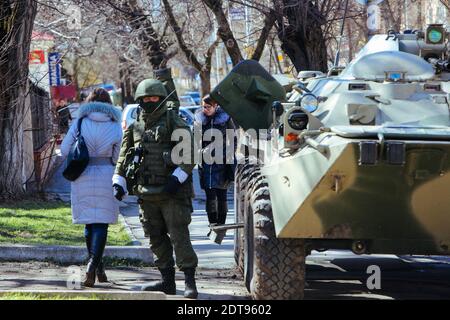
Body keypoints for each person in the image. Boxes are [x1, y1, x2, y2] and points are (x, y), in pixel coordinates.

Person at [113, 78, 199, 299]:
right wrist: (119, 181)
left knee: (180, 237)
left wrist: (176, 178)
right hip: (146, 193)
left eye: (154, 98)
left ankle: (190, 282)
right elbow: (124, 156)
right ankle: (167, 282)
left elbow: (189, 153)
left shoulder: (174, 121)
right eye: (146, 98)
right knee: (155, 238)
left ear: (161, 99)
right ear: (140, 100)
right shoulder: (135, 126)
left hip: (172, 194)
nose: (150, 101)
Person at [61, 88, 123, 287]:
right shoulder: (115, 125)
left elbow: (64, 151)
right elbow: (117, 156)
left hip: (82, 174)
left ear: (89, 102)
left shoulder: (79, 122)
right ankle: (94, 267)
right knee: (101, 222)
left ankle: (95, 267)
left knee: (89, 222)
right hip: (106, 175)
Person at [195, 95, 236, 228]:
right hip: (206, 161)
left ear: (215, 106)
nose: (205, 109)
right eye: (203, 107)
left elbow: (233, 139)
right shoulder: (199, 120)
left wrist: (228, 154)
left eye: (208, 107)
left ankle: (221, 223)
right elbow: (194, 139)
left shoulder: (225, 119)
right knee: (210, 193)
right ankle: (212, 223)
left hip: (222, 161)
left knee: (221, 193)